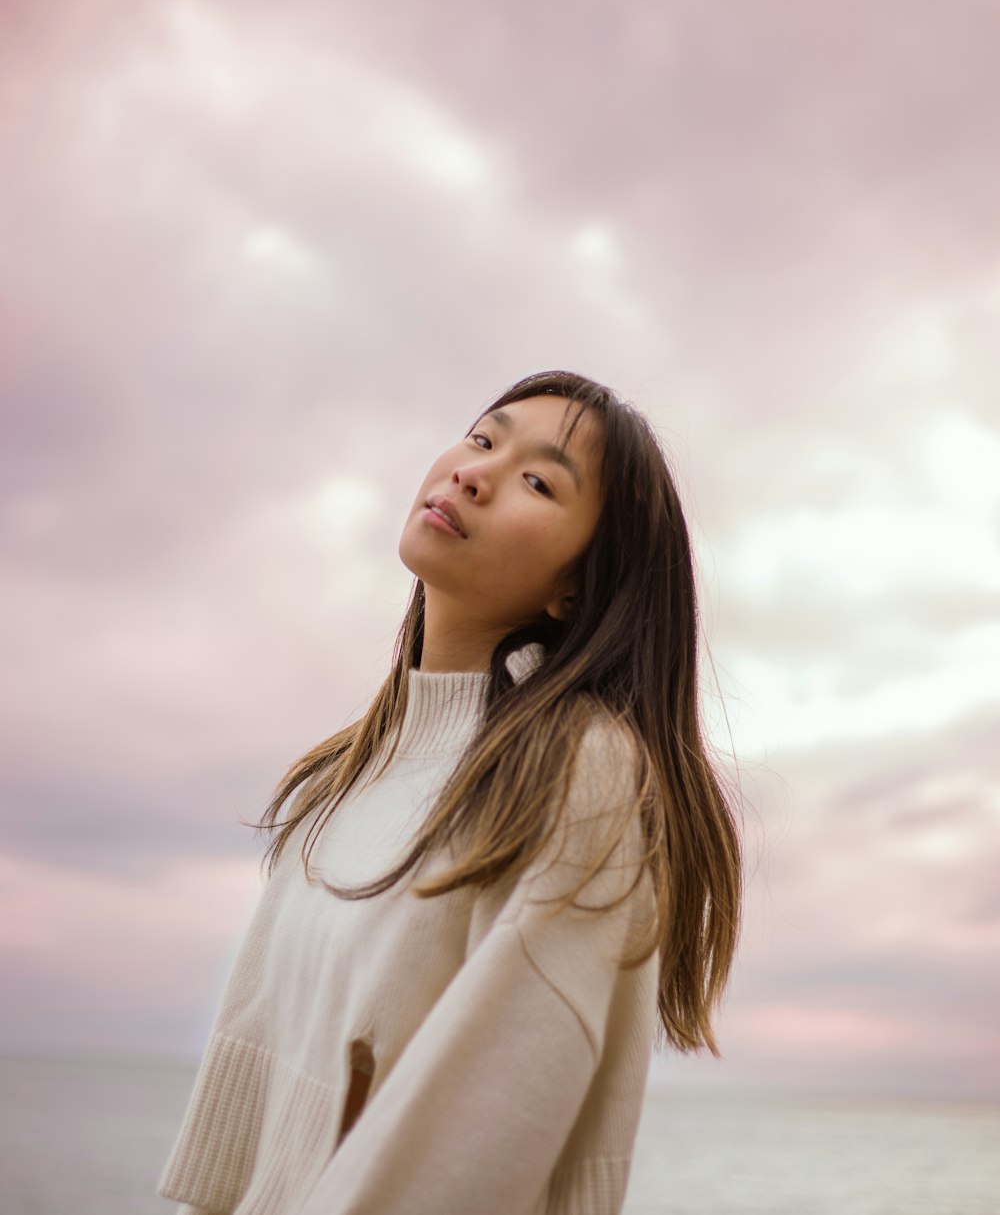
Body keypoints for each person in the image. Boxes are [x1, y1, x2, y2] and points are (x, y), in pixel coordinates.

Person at [158, 370, 742, 1215]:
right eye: (482, 439)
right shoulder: (346, 775)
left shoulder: (576, 772)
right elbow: (250, 1098)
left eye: (538, 482)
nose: (476, 473)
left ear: (575, 587)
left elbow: (484, 1129)